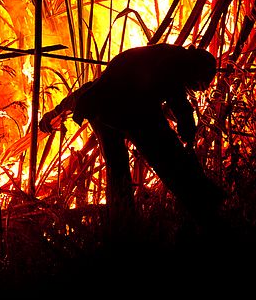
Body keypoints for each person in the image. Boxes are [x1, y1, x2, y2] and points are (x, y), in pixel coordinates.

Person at [39, 44, 225, 219]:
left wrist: (54, 114)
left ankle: (122, 217)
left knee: (120, 167)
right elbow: (178, 102)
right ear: (196, 68)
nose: (203, 88)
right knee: (167, 156)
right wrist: (187, 128)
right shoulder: (175, 62)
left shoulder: (164, 58)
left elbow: (88, 90)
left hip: (109, 106)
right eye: (202, 83)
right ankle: (202, 203)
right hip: (126, 107)